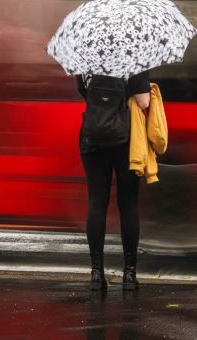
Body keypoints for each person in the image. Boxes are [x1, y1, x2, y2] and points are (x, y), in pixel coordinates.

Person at [77, 70, 150, 291]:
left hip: (92, 137)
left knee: (97, 202)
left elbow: (84, 92)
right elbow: (143, 102)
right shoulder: (135, 56)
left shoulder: (85, 54)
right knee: (128, 204)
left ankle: (97, 274)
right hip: (126, 139)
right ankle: (129, 274)